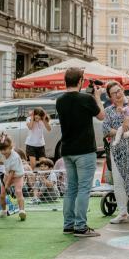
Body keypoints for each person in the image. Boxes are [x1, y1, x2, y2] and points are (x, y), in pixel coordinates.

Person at [55, 68, 106, 238]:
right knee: (84, 188)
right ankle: (81, 226)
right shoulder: (86, 99)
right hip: (84, 150)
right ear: (80, 81)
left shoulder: (60, 100)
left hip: (67, 149)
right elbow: (102, 116)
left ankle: (68, 224)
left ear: (65, 81)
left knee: (71, 188)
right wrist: (97, 97)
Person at [103, 82, 129, 225]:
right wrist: (121, 130)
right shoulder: (108, 111)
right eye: (114, 93)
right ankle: (122, 212)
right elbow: (106, 130)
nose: (118, 94)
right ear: (110, 96)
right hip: (117, 151)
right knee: (119, 181)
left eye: (119, 90)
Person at [0, 136, 27, 221]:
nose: (3, 152)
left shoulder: (15, 157)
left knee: (18, 191)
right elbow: (3, 162)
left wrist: (7, 185)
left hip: (18, 175)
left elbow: (12, 172)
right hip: (7, 174)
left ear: (10, 147)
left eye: (5, 149)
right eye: (1, 150)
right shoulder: (1, 153)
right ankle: (3, 211)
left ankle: (22, 211)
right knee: (2, 195)